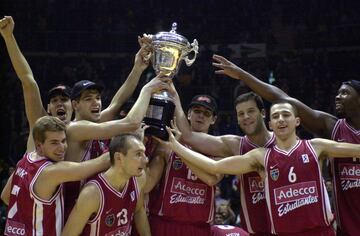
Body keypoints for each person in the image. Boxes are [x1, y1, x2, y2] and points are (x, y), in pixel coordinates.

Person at [212, 54, 360, 236]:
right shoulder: (332, 128)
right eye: (337, 92)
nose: (337, 97)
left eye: (344, 93)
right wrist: (242, 75)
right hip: (347, 226)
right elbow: (283, 99)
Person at [163, 101, 360, 235]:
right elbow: (214, 166)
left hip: (321, 231)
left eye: (286, 115)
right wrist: (176, 146)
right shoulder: (261, 157)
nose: (281, 119)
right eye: (276, 116)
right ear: (270, 124)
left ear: (297, 121)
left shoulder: (316, 147)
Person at [174, 90, 275, 235]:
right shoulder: (234, 145)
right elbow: (188, 136)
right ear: (237, 119)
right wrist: (174, 95)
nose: (246, 117)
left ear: (263, 113)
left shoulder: (285, 142)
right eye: (241, 114)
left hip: (288, 226)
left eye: (251, 111)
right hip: (254, 229)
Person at [0, 116, 111, 235]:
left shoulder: (24, 161)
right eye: (54, 143)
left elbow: (5, 196)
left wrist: (30, 216)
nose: (61, 148)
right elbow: (99, 163)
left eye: (63, 141)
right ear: (39, 146)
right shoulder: (50, 171)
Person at [145, 94, 223, 236]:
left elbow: (212, 178)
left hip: (198, 229)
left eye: (206, 113)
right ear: (188, 114)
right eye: (197, 111)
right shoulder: (166, 146)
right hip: (165, 224)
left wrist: (179, 150)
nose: (201, 116)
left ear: (214, 120)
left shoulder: (220, 150)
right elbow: (147, 185)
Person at [0, 16, 73, 151]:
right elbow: (28, 80)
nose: (59, 103)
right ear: (48, 108)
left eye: (64, 99)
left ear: (73, 106)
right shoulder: (40, 122)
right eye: (54, 100)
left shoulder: (82, 132)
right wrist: (8, 37)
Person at [62, 134, 151, 236]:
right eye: (138, 154)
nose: (145, 160)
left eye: (144, 154)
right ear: (118, 158)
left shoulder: (139, 178)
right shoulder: (92, 194)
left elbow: (139, 210)